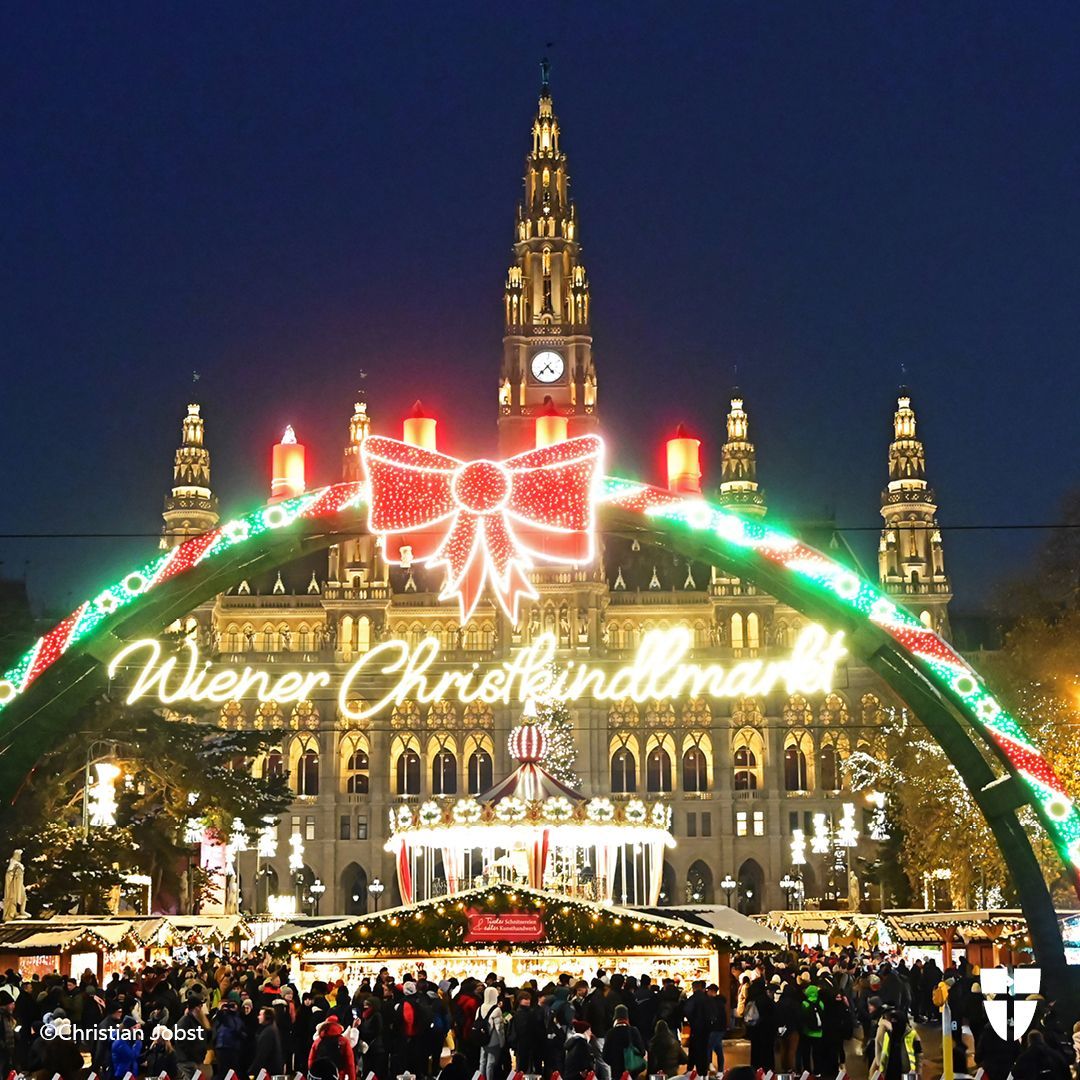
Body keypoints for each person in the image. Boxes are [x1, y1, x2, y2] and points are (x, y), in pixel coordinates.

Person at [600, 1003, 645, 1080]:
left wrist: (614, 1063)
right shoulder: (633, 1031)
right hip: (632, 1072)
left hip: (616, 1073)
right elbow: (642, 1051)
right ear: (627, 1018)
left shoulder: (610, 1033)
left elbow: (605, 1056)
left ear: (615, 1018)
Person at [308, 1015, 357, 1080]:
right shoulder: (343, 1042)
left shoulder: (318, 1041)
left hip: (320, 1076)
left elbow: (311, 1060)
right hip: (338, 1076)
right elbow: (350, 1064)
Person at [510, 990, 546, 1075]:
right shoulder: (528, 1013)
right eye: (525, 999)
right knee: (526, 1065)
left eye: (528, 998)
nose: (527, 1000)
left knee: (523, 1065)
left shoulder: (519, 1013)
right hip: (527, 1043)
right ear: (520, 1000)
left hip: (524, 1043)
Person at [175, 997, 210, 1080]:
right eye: (200, 1006)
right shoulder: (185, 1022)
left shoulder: (196, 1021)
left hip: (194, 1061)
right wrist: (193, 1054)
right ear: (195, 1008)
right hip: (187, 1063)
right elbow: (179, 1040)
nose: (201, 1009)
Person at [211, 999, 246, 1080]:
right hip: (222, 1047)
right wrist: (221, 1009)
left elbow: (241, 1032)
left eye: (233, 1005)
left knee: (233, 1071)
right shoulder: (223, 1016)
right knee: (222, 1071)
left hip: (234, 1048)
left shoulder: (239, 1018)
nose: (231, 1007)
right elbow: (217, 1019)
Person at [250, 1007, 285, 1077]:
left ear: (267, 1017)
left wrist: (252, 1071)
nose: (258, 1017)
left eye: (260, 1015)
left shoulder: (268, 1032)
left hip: (269, 1071)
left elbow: (262, 1054)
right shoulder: (272, 1029)